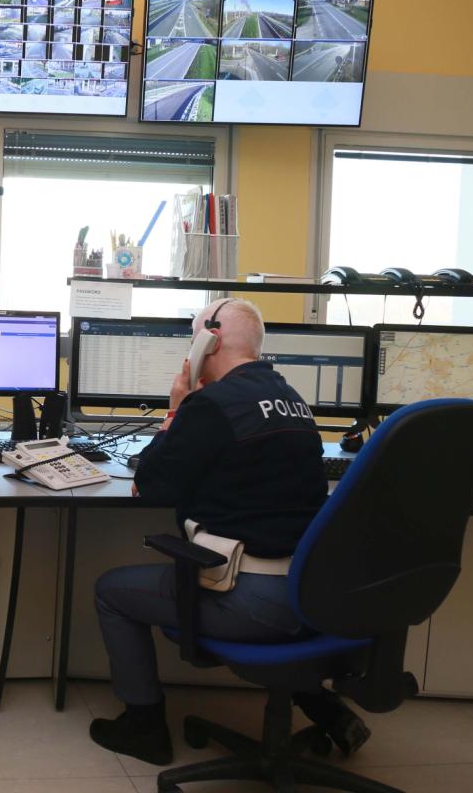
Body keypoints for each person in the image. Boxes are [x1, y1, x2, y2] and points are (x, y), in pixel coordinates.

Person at [89, 298, 368, 765]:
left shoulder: (210, 406)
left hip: (250, 599)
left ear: (209, 340)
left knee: (111, 591)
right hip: (311, 592)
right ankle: (319, 702)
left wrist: (175, 409)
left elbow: (150, 485)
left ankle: (143, 727)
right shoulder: (293, 400)